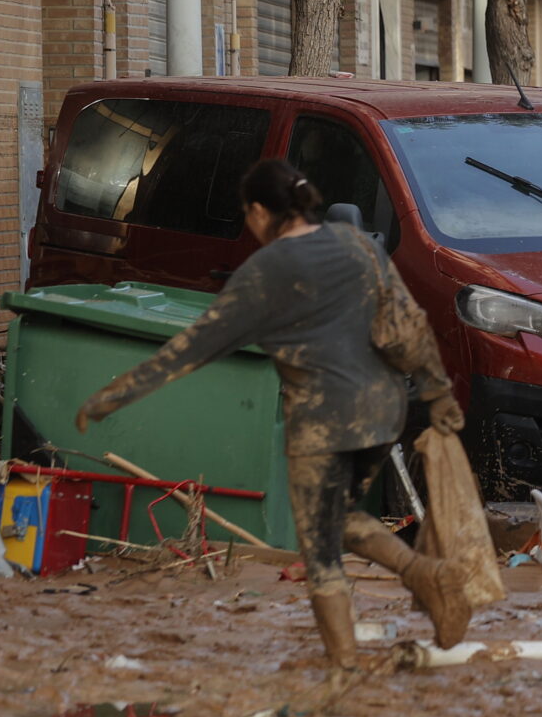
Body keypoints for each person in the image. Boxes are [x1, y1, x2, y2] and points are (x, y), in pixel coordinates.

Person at [76, 159, 474, 670]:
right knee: (340, 519)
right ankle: (425, 576)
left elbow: (192, 348)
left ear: (262, 212)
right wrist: (438, 393)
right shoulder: (356, 244)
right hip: (383, 411)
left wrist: (112, 395)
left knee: (321, 550)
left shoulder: (263, 273)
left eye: (249, 215)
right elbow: (408, 325)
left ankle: (346, 665)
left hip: (324, 424)